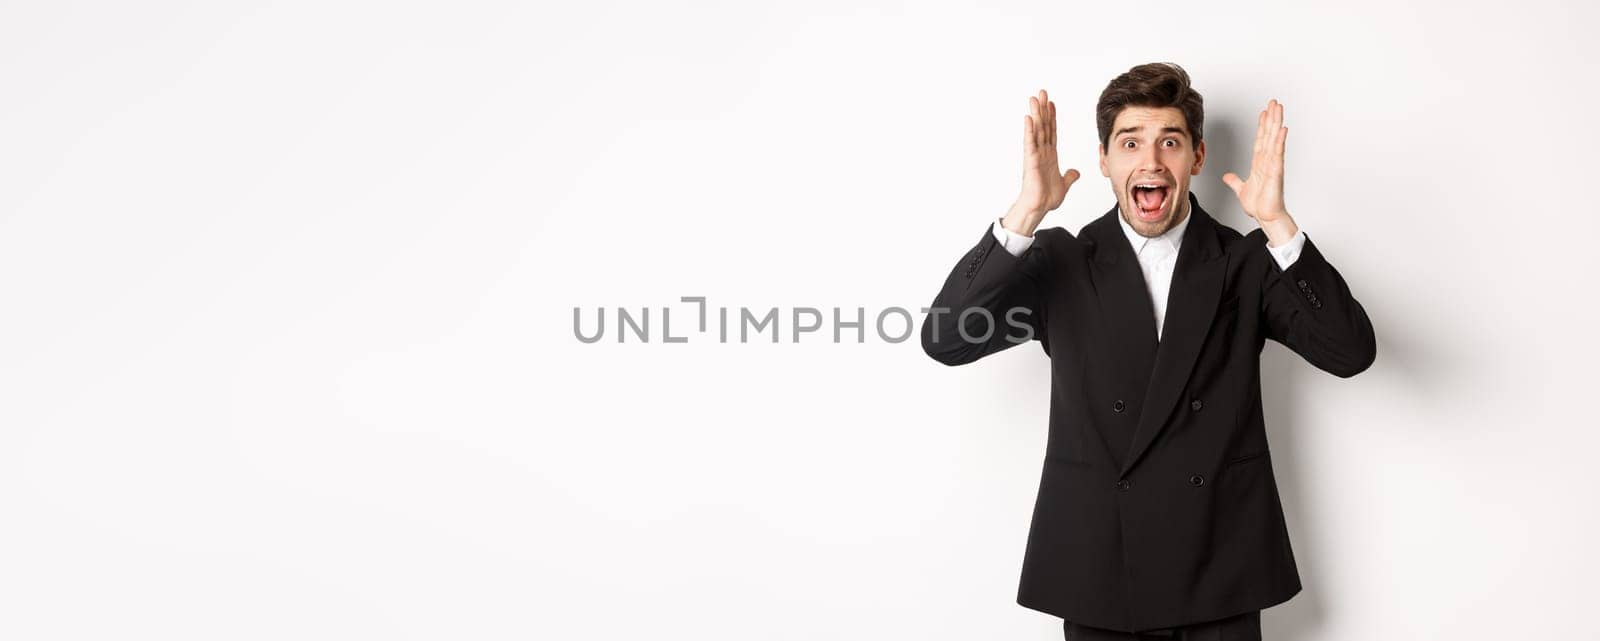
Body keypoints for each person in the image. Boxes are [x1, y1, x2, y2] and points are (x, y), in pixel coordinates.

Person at [918, 62, 1377, 640]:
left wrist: (1278, 224)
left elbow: (1350, 351)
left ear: (1198, 158)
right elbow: (946, 338)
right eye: (1130, 142)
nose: (1151, 161)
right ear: (1106, 160)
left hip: (1219, 563)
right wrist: (1026, 213)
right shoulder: (1060, 260)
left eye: (1171, 142)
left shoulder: (1244, 260)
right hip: (1102, 568)